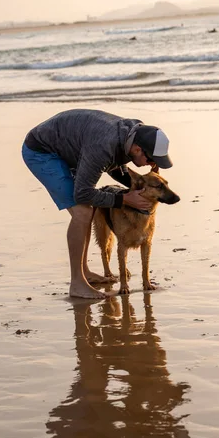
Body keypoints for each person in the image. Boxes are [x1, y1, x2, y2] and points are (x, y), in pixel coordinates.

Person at [21, 109, 173, 299]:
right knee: (83, 212)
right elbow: (83, 193)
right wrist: (124, 199)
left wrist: (140, 185)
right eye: (150, 159)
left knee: (87, 211)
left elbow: (114, 165)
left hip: (70, 146)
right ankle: (77, 283)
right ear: (137, 149)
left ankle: (84, 273)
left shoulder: (133, 134)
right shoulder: (103, 146)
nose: (151, 165)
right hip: (42, 151)